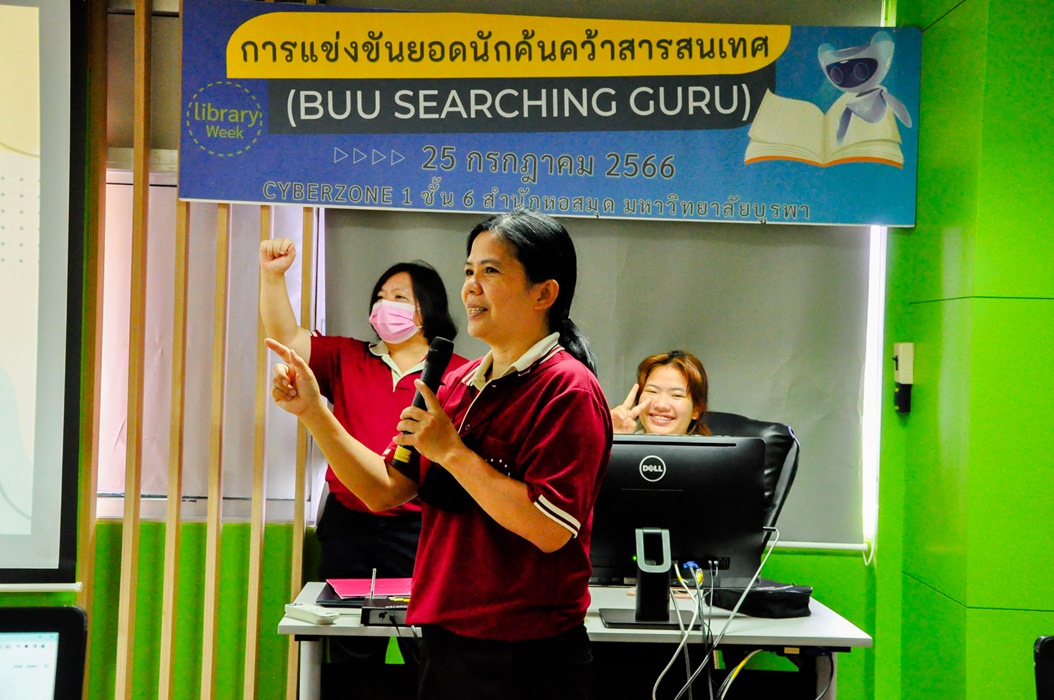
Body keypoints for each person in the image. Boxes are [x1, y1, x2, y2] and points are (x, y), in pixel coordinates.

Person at [267, 209, 612, 700]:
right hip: (447, 637)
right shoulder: (456, 383)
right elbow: (384, 490)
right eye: (469, 270)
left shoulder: (567, 389)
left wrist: (452, 452)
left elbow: (549, 529)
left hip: (527, 651)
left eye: (491, 271)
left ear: (544, 293)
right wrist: (313, 413)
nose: (471, 286)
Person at [259, 238, 467, 671]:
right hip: (348, 521)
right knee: (349, 646)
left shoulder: (457, 373)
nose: (384, 305)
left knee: (424, 645)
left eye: (399, 298)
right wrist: (273, 276)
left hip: (419, 526)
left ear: (427, 309)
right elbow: (286, 338)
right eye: (380, 296)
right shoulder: (346, 355)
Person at [609, 350, 711, 436]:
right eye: (652, 391)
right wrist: (612, 441)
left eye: (676, 395)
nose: (661, 405)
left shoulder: (709, 453)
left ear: (696, 409)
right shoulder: (617, 445)